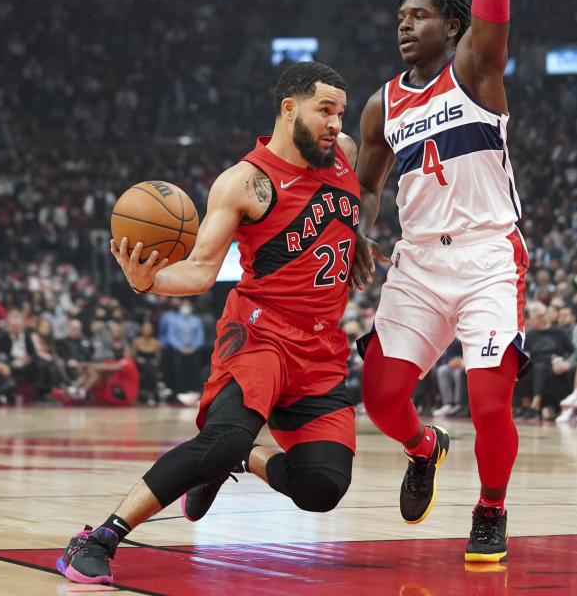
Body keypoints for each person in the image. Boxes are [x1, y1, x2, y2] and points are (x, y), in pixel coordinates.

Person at [56, 62, 360, 585]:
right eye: (324, 110)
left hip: (322, 351)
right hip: (261, 335)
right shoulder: (246, 182)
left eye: (340, 112)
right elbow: (199, 271)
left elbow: (357, 203)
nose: (335, 123)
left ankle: (239, 460)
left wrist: (364, 240)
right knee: (220, 439)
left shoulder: (346, 154)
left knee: (322, 488)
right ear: (290, 109)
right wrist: (146, 282)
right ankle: (99, 538)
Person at [352, 0, 526, 562]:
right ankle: (424, 447)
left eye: (419, 16)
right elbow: (369, 188)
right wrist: (360, 231)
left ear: (452, 27)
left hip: (487, 255)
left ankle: (490, 509)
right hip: (419, 261)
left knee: (489, 403)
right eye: (400, 17)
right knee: (379, 396)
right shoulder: (381, 106)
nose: (404, 26)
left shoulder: (475, 69)